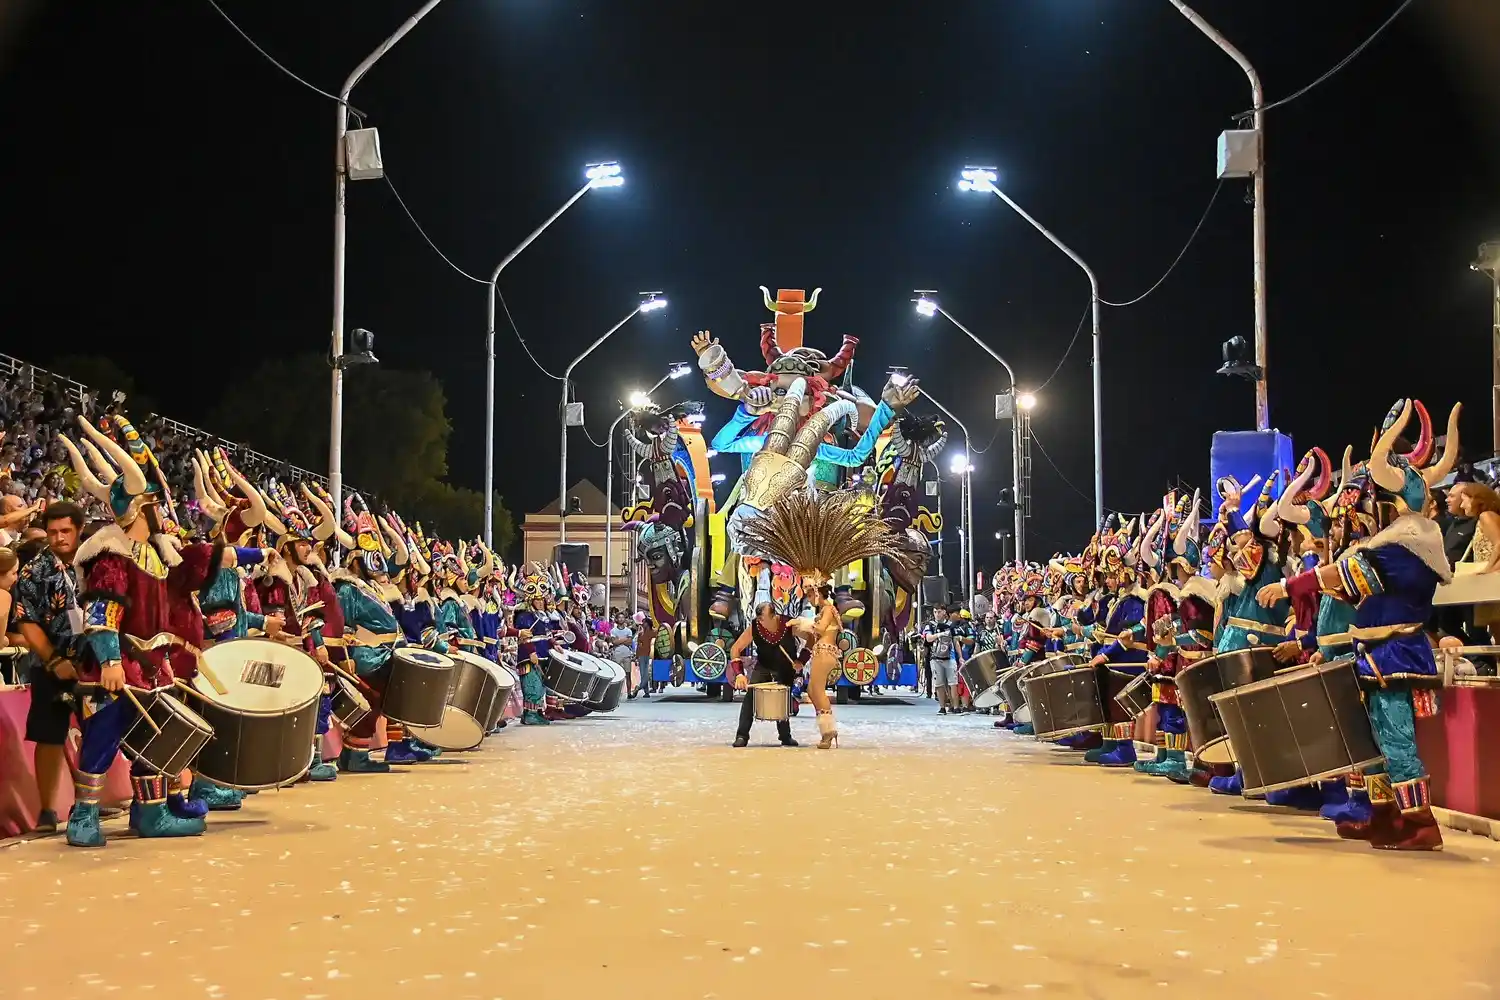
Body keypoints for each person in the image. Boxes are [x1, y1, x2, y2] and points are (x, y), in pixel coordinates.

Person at [1259, 399, 1460, 851]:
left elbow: (1344, 575)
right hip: (1373, 651)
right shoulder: (1394, 543)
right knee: (1371, 741)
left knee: (1395, 740)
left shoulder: (1408, 546)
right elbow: (1345, 581)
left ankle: (1421, 824)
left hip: (1395, 651)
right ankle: (1385, 816)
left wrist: (1293, 585)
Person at [736, 488, 919, 750]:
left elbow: (818, 630)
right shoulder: (816, 610)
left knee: (816, 692)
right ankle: (824, 732)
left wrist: (799, 625)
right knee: (812, 691)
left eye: (810, 591)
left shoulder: (829, 608)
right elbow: (811, 635)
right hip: (811, 653)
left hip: (824, 653)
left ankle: (825, 733)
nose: (808, 595)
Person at [11, 502, 83, 833]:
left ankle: (89, 804)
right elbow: (27, 622)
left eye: (65, 531)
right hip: (50, 665)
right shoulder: (33, 572)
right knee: (49, 736)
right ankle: (47, 811)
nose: (58, 538)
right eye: (52, 532)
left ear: (79, 529)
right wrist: (55, 661)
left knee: (100, 733)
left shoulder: (95, 563)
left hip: (95, 664)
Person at [729, 602, 800, 747]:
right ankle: (742, 735)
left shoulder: (788, 624)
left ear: (774, 616)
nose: (759, 621)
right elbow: (736, 648)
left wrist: (802, 660)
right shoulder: (755, 626)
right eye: (758, 618)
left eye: (763, 618)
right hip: (763, 666)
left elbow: (811, 639)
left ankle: (785, 736)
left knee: (783, 701)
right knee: (750, 698)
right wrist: (739, 674)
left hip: (785, 668)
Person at [921, 605, 960, 715]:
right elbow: (928, 638)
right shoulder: (930, 625)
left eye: (939, 611)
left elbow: (956, 641)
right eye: (935, 612)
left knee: (953, 683)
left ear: (944, 612)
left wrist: (960, 656)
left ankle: (955, 707)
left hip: (950, 657)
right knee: (939, 684)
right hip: (935, 658)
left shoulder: (951, 625)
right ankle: (942, 707)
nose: (937, 614)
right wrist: (940, 634)